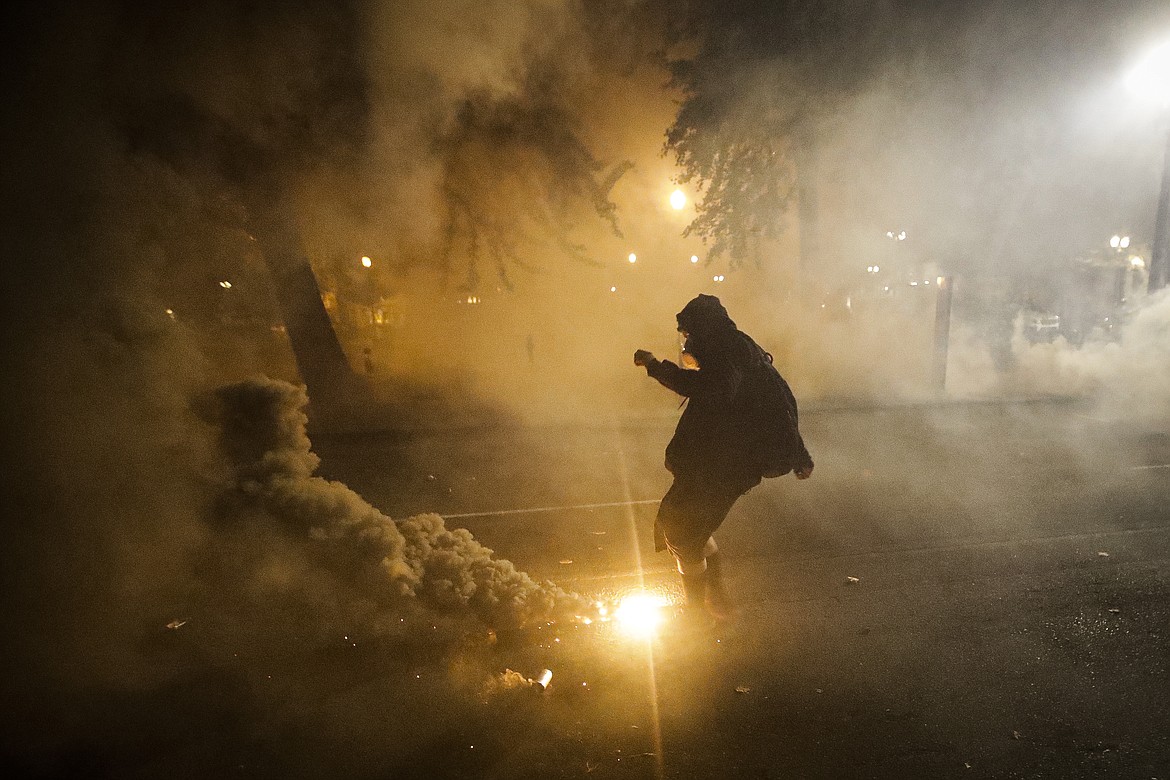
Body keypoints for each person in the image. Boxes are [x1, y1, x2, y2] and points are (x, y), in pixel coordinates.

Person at [634, 294, 813, 621]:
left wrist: (656, 368)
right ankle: (711, 597)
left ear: (703, 329)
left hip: (725, 467)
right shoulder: (737, 348)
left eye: (688, 334)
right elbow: (780, 400)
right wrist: (799, 453)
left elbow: (715, 389)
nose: (686, 341)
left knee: (682, 530)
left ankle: (697, 611)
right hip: (717, 463)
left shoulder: (727, 354)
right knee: (684, 526)